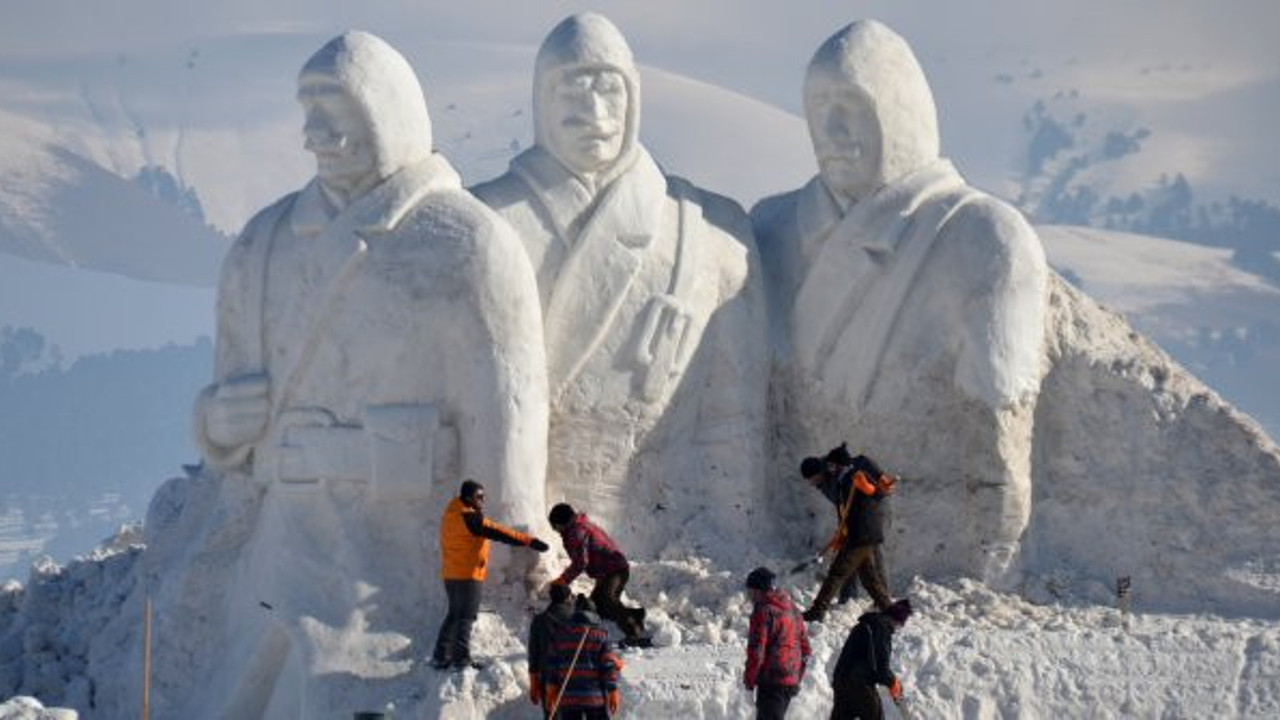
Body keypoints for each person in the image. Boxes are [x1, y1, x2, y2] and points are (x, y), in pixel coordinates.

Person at [179, 31, 550, 716]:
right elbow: (226, 411)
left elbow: (505, 417)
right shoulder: (261, 246)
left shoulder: (468, 244)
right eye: (308, 110)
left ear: (388, 112)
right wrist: (218, 424)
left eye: (337, 109)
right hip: (282, 553)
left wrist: (510, 560)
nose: (314, 134)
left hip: (395, 570)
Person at [751, 19, 1048, 583]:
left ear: (901, 113)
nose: (833, 130)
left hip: (937, 548)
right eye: (820, 108)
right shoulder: (771, 229)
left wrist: (993, 553)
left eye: (855, 107)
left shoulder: (983, 235)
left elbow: (1000, 423)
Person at [472, 12, 769, 554]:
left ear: (634, 97)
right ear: (541, 100)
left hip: (671, 527)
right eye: (572, 90)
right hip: (536, 528)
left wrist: (734, 532)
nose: (593, 112)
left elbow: (734, 416)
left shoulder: (709, 230)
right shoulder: (483, 221)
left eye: (609, 88)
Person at [435, 480, 550, 669]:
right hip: (468, 575)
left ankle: (440, 655)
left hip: (452, 573)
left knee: (454, 614)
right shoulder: (469, 517)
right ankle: (461, 660)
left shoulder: (451, 513)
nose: (483, 500)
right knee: (466, 616)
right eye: (479, 496)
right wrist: (529, 541)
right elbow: (497, 531)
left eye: (483, 496)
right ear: (468, 497)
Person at [799, 453, 894, 622]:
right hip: (857, 527)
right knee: (868, 575)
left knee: (838, 572)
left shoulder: (851, 474)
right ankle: (887, 608)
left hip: (866, 527)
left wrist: (880, 477)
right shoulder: (833, 481)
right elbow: (842, 506)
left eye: (813, 479)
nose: (813, 484)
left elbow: (865, 465)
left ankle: (818, 610)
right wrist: (842, 532)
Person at [548, 502, 649, 646]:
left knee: (608, 599)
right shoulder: (580, 525)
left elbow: (580, 563)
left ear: (561, 523)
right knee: (597, 608)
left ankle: (634, 633)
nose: (555, 530)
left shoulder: (576, 532)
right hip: (608, 571)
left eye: (555, 526)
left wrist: (562, 581)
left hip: (615, 570)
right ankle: (635, 615)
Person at [743, 567, 811, 719]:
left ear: (760, 590)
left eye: (751, 591)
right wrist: (796, 676)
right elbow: (806, 650)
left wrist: (749, 683)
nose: (750, 596)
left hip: (771, 682)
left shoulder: (763, 611)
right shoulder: (792, 609)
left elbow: (757, 651)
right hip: (789, 681)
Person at [541, 595, 624, 719]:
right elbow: (608, 665)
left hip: (568, 698)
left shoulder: (559, 636)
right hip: (594, 698)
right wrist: (613, 690)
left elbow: (552, 667)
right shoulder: (601, 635)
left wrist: (551, 691)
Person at [830, 598, 913, 720]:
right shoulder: (881, 628)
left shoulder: (867, 624)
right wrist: (893, 682)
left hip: (841, 679)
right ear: (895, 620)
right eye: (899, 625)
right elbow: (881, 667)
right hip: (860, 683)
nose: (896, 629)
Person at [528, 582, 575, 716]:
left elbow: (534, 653)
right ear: (568, 597)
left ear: (551, 597)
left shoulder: (539, 620)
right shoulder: (578, 619)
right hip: (575, 676)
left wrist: (534, 683)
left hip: (548, 679)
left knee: (552, 715)